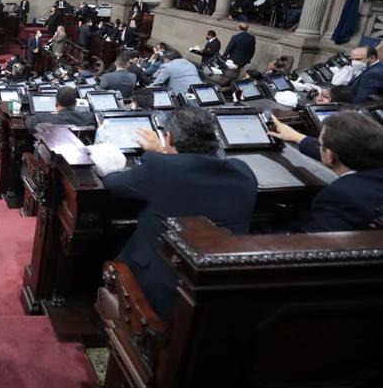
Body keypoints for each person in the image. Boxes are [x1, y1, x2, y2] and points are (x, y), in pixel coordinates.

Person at [97, 107, 257, 320]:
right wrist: (162, 154)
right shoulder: (243, 173)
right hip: (221, 290)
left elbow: (112, 183)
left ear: (169, 138)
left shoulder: (160, 168)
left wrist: (158, 154)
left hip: (160, 292)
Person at [268, 112, 383, 232]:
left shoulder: (342, 195)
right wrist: (297, 137)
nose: (318, 147)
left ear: (329, 155)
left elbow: (318, 242)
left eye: (320, 145)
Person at [25, 86, 93, 132]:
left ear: (56, 102)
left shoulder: (42, 118)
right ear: (75, 103)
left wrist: (50, 114)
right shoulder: (88, 118)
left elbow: (29, 123)